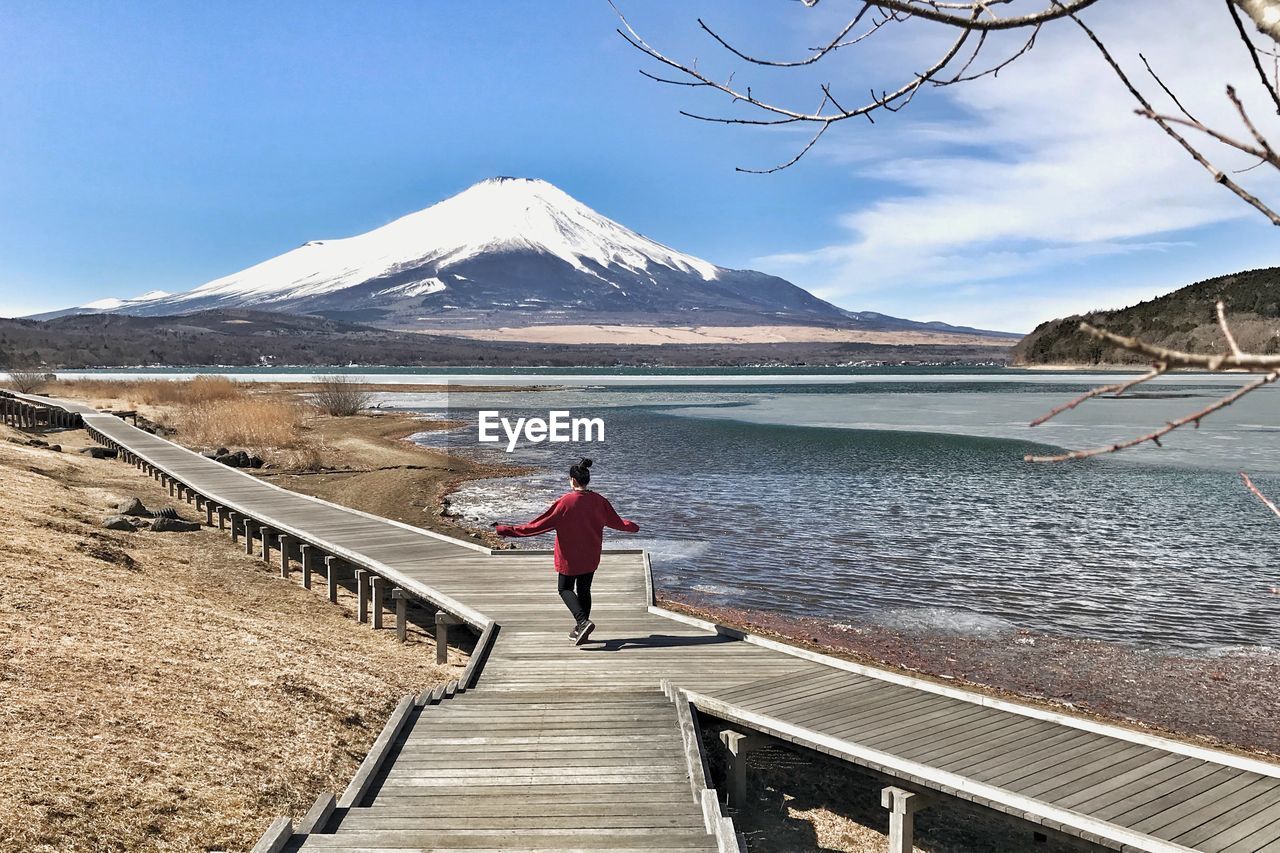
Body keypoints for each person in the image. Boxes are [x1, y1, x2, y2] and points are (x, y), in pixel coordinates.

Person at [494, 458, 639, 645]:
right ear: (587, 480)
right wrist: (634, 527)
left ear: (573, 480)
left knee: (564, 588)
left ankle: (582, 622)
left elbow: (537, 526)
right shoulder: (600, 501)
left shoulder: (565, 502)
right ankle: (582, 629)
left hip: (569, 558)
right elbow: (618, 523)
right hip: (591, 555)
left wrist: (505, 530)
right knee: (585, 589)